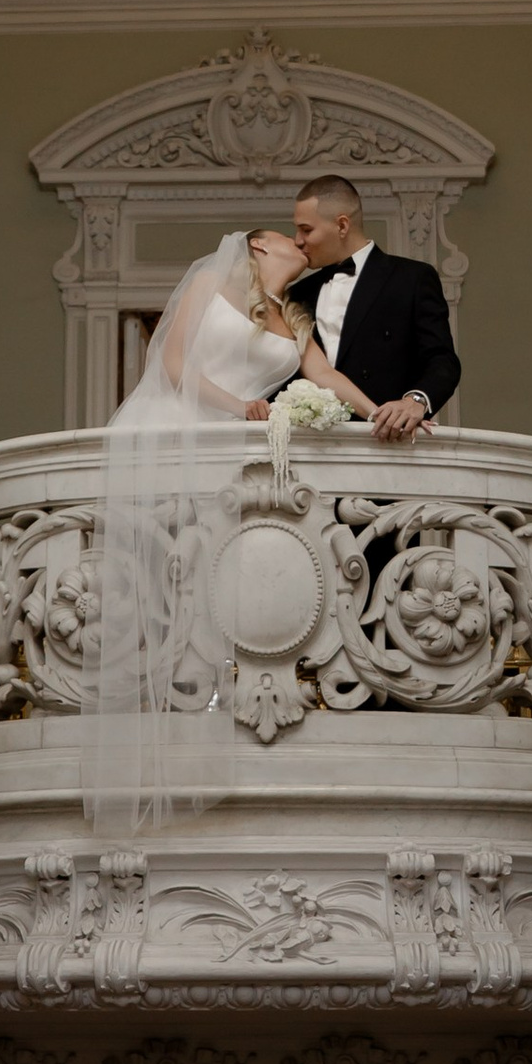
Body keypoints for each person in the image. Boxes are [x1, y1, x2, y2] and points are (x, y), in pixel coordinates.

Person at [79, 228, 381, 836]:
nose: (301, 240)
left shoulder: (293, 318)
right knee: (161, 566)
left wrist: (385, 412)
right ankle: (147, 698)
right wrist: (234, 406)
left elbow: (327, 379)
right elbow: (170, 362)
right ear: (261, 246)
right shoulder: (208, 285)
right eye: (288, 235)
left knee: (210, 572)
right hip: (178, 424)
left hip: (234, 447)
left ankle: (204, 702)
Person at [280, 174, 462, 442]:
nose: (297, 240)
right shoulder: (297, 294)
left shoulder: (412, 278)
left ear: (342, 225)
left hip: (387, 443)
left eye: (306, 230)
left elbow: (442, 359)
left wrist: (416, 401)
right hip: (307, 448)